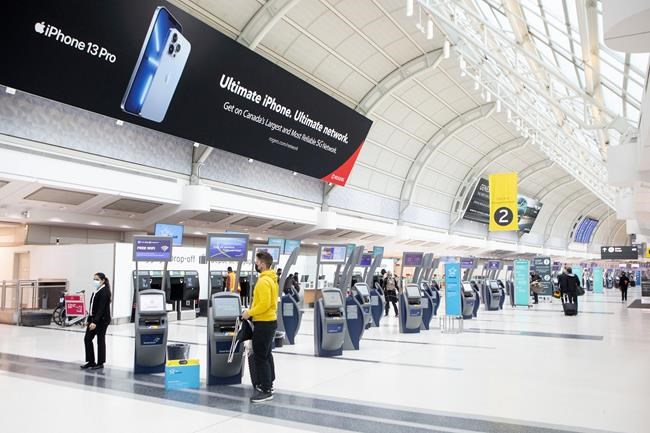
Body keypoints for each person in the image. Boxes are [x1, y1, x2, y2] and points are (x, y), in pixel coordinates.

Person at [242, 251, 278, 403]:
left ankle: (266, 390)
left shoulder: (263, 281)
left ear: (262, 264)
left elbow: (264, 304)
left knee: (260, 357)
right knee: (266, 354)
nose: (256, 264)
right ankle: (269, 383)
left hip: (263, 323)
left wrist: (249, 313)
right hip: (270, 322)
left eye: (257, 262)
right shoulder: (272, 279)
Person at [81, 273, 111, 370]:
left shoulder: (105, 291)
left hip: (102, 320)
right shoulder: (96, 290)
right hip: (94, 319)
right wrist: (88, 320)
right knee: (87, 339)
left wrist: (95, 322)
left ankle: (100, 363)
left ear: (103, 280)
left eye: (97, 279)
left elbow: (101, 309)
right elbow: (92, 307)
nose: (95, 281)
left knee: (100, 340)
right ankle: (91, 361)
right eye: (94, 279)